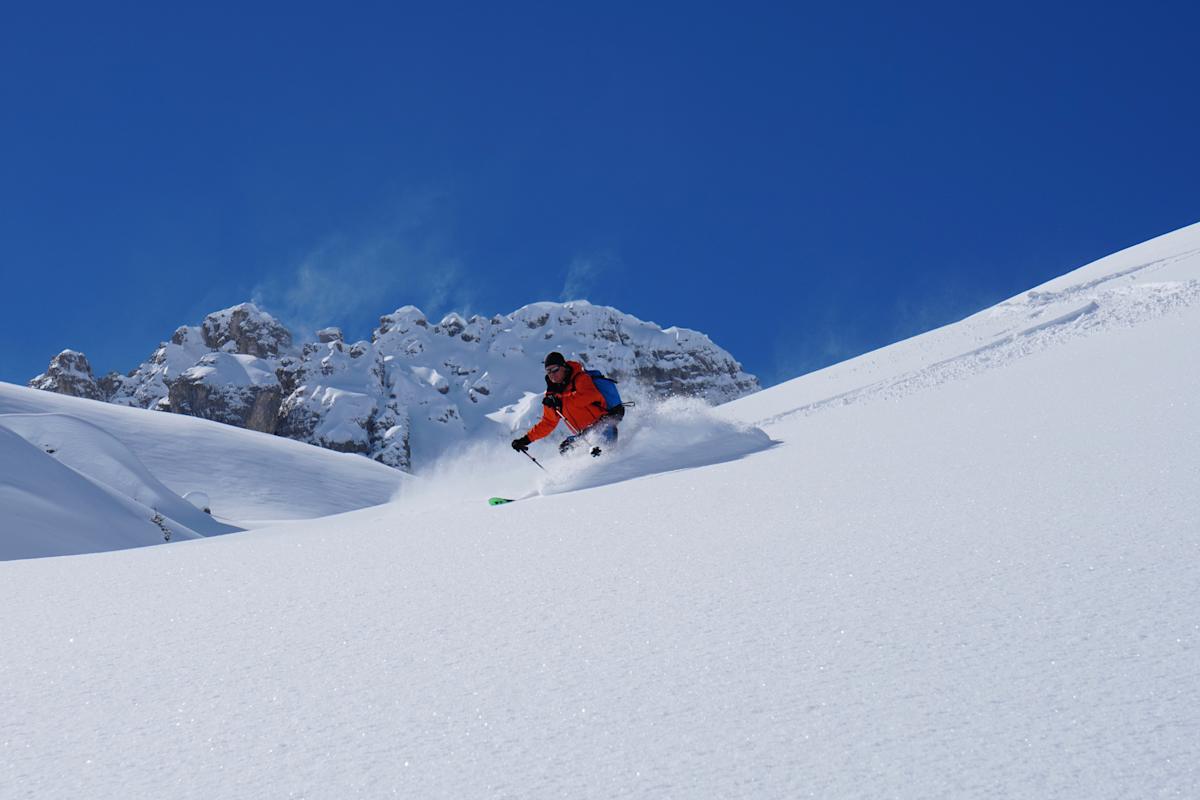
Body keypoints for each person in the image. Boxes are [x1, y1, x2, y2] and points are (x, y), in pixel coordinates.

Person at [511, 352, 624, 457]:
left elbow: (590, 396)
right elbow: (548, 423)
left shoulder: (580, 378)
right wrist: (525, 440)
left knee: (606, 453)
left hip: (603, 423)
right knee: (565, 449)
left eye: (554, 369)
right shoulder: (552, 396)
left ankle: (615, 468)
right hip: (584, 433)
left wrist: (562, 400)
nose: (552, 374)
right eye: (548, 371)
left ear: (563, 367)